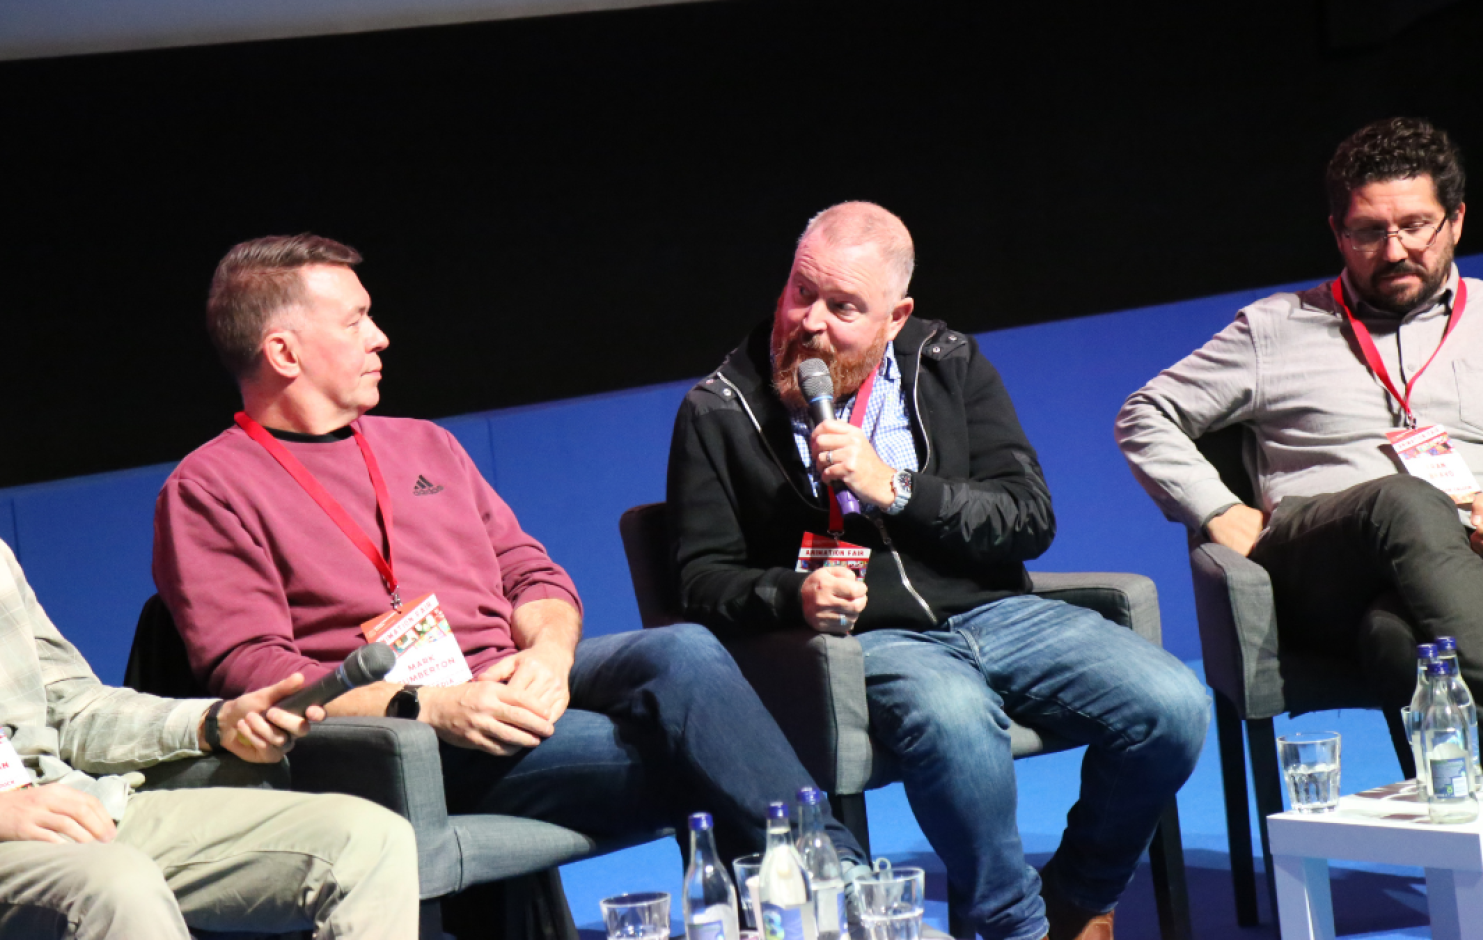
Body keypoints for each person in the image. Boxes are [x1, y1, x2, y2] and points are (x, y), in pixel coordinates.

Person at [152, 233, 867, 880]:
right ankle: (838, 887)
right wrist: (433, 706)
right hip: (405, 737)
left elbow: (533, 575)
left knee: (681, 649)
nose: (380, 337)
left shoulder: (425, 443)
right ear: (284, 353)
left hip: (509, 676)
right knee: (699, 749)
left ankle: (823, 880)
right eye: (355, 321)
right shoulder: (209, 488)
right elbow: (258, 674)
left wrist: (548, 658)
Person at [666, 201, 1208, 940]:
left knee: (1173, 706)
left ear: (895, 317)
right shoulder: (718, 410)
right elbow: (700, 580)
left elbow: (1028, 517)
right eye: (801, 291)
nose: (810, 322)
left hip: (998, 612)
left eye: (843, 307)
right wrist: (796, 594)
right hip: (869, 640)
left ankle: (1080, 895)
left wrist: (896, 487)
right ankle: (1015, 927)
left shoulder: (947, 362)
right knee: (956, 720)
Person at [1116, 116, 1481, 716]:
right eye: (1369, 232)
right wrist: (1216, 508)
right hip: (1320, 566)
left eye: (1416, 226)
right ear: (1338, 233)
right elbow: (1144, 413)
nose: (1395, 251)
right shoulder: (1274, 329)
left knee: (1396, 641)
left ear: (1456, 220)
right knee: (1405, 500)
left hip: (1460, 561)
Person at [0, 520, 419, 938]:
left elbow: (71, 706)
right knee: (118, 886)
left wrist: (214, 723)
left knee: (369, 841)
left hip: (66, 802)